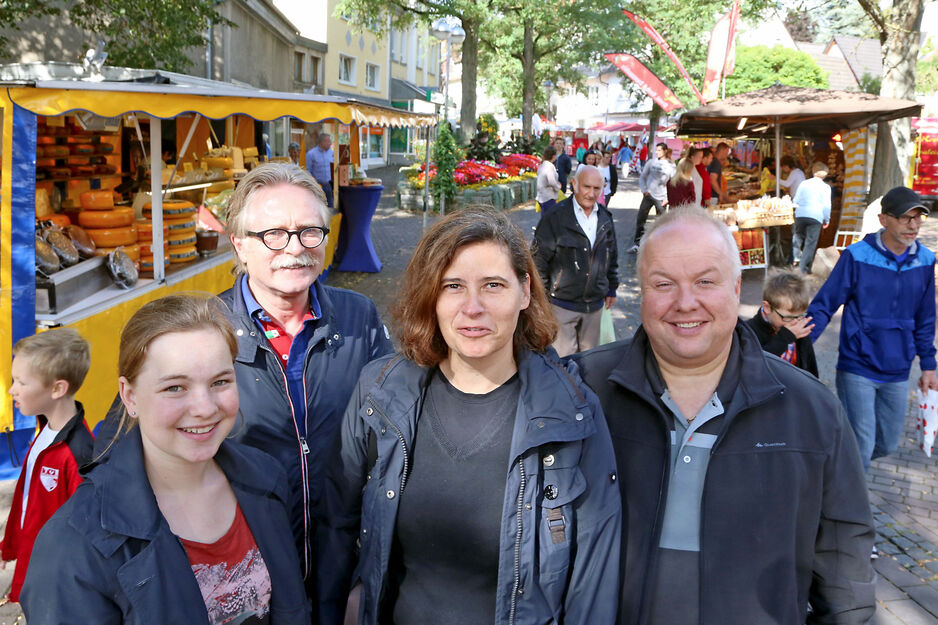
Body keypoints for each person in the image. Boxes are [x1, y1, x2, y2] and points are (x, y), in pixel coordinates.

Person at [572, 206, 875, 625]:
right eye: (663, 284)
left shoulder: (811, 411)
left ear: (737, 289)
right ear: (642, 291)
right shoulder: (582, 392)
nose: (685, 302)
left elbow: (845, 574)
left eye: (705, 282)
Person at [318, 208, 621, 625]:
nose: (472, 307)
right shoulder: (381, 393)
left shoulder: (573, 416)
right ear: (432, 296)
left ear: (525, 291)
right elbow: (337, 526)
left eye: (493, 285)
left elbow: (593, 583)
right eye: (453, 286)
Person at [21, 294, 309, 624]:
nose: (204, 408)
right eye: (175, 388)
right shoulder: (73, 547)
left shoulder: (265, 478)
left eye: (220, 382)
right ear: (130, 396)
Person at [808, 186, 937, 471]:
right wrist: (799, 344)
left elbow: (926, 318)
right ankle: (851, 512)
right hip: (857, 365)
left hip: (898, 370)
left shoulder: (926, 260)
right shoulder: (857, 257)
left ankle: (832, 470)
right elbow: (824, 304)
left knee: (887, 443)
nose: (913, 225)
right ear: (883, 220)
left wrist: (929, 366)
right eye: (906, 218)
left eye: (918, 218)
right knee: (863, 445)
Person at [2, 328, 93, 603]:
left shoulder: (76, 456)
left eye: (21, 382)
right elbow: (29, 500)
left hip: (58, 584)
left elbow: (85, 535)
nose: (11, 389)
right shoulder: (45, 432)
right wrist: (11, 546)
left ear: (57, 389)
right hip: (37, 568)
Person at [533, 165, 619, 356]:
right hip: (561, 304)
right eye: (586, 187)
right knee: (563, 362)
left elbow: (611, 255)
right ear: (574, 184)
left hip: (595, 305)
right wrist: (542, 298)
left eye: (596, 189)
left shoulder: (605, 218)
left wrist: (612, 286)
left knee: (591, 361)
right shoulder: (555, 217)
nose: (591, 194)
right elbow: (538, 261)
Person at [745, 268, 818, 376]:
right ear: (767, 307)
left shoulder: (798, 326)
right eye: (788, 317)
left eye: (800, 316)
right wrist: (784, 337)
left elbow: (811, 369)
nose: (794, 323)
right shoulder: (747, 331)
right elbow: (751, 369)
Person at [629, 143, 674, 253]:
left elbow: (673, 183)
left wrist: (667, 197)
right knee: (641, 219)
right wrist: (644, 190)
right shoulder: (651, 162)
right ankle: (637, 244)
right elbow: (642, 177)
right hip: (649, 195)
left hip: (661, 197)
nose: (657, 152)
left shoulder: (671, 166)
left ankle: (662, 245)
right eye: (656, 150)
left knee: (662, 222)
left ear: (665, 151)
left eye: (659, 150)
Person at [790, 161, 832, 274]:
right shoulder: (826, 187)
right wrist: (826, 219)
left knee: (798, 237)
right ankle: (802, 268)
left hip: (800, 214)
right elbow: (827, 205)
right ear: (825, 174)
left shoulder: (804, 183)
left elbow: (796, 200)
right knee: (810, 243)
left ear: (813, 171)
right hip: (816, 216)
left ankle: (795, 259)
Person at [306, 132, 335, 208]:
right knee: (319, 209)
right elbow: (307, 171)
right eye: (328, 141)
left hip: (330, 186)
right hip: (318, 187)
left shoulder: (332, 153)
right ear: (322, 142)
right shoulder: (311, 154)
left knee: (330, 208)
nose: (330, 143)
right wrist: (314, 183)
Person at [536, 144, 561, 215]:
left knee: (544, 217)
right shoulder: (550, 166)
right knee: (550, 219)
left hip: (541, 196)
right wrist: (558, 187)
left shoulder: (542, 165)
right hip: (549, 197)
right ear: (553, 156)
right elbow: (551, 181)